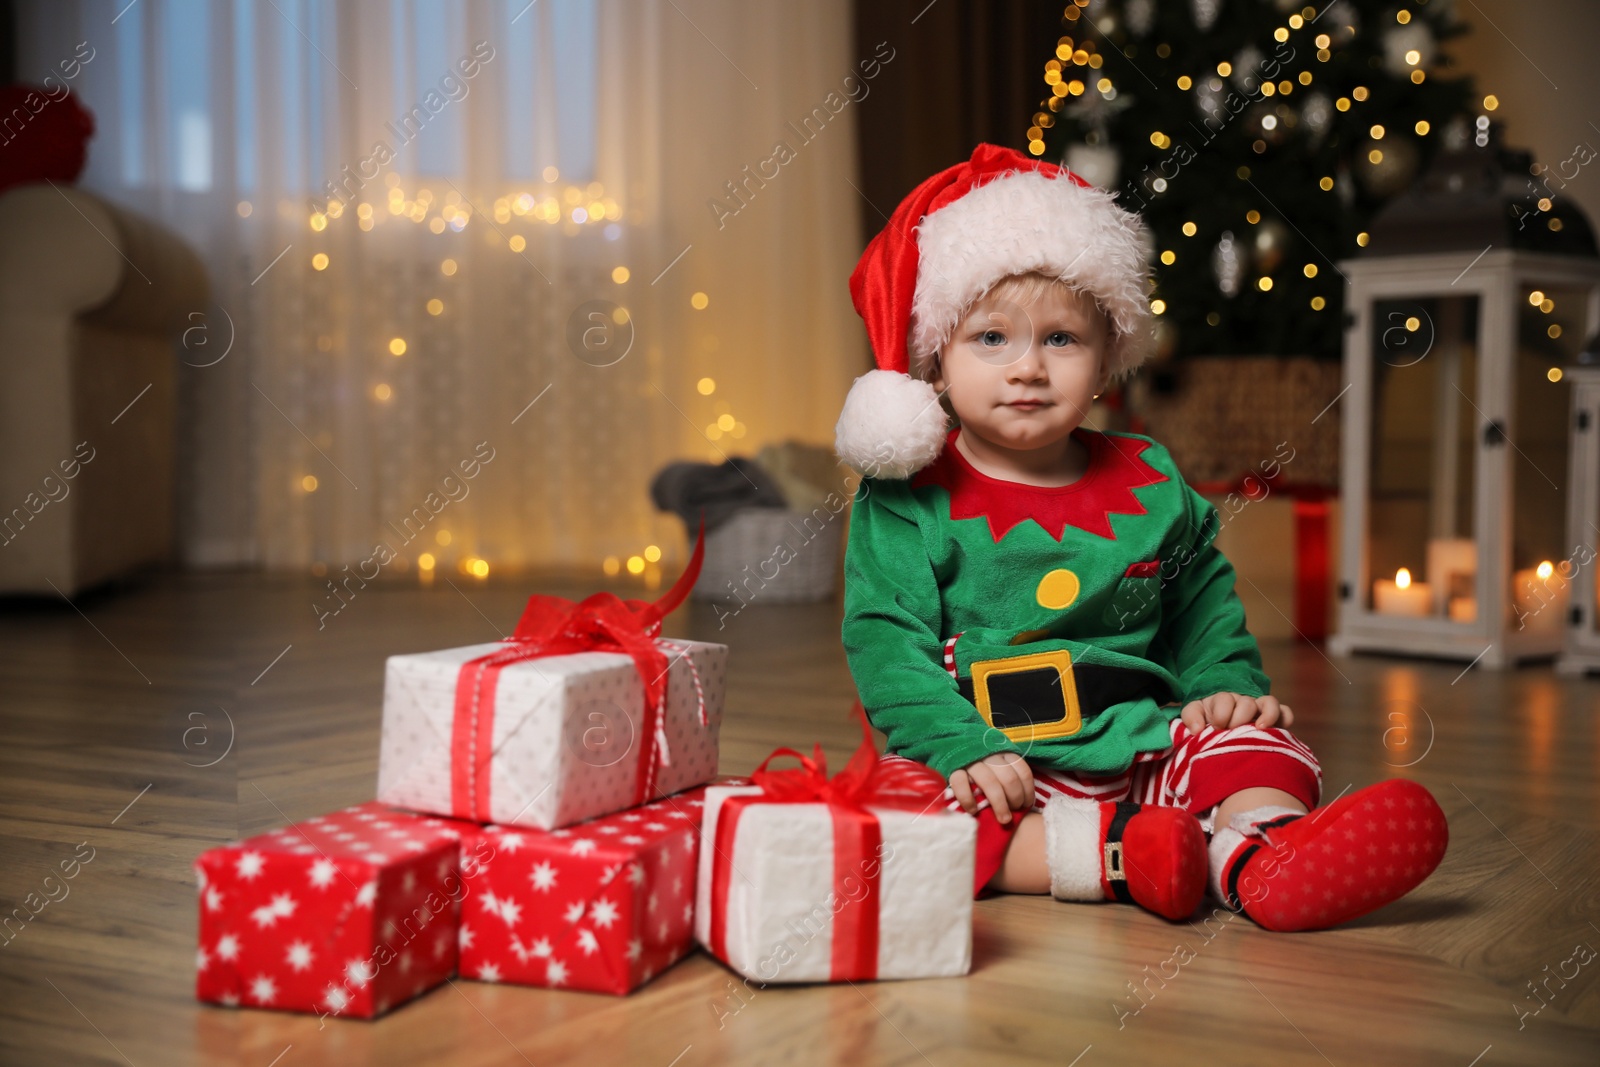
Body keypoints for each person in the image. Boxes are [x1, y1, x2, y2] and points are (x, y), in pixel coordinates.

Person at [835, 143, 1446, 931]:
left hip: (1146, 743)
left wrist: (1223, 689)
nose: (1028, 368)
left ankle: (1257, 852)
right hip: (993, 763)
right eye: (992, 339)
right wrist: (958, 746)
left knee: (1258, 747)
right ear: (937, 359)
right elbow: (887, 643)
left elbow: (1201, 605)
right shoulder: (907, 496)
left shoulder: (1152, 481)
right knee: (898, 808)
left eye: (1061, 340)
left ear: (1107, 359)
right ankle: (1126, 854)